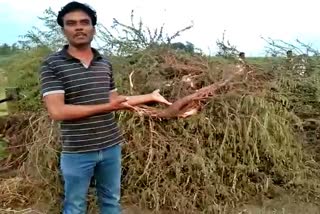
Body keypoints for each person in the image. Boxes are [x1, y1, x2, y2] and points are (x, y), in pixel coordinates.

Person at [39, 1, 171, 214]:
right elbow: (57, 111)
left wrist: (150, 96)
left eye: (85, 22)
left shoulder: (104, 63)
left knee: (111, 202)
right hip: (77, 151)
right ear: (63, 30)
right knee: (75, 205)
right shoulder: (52, 64)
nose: (79, 27)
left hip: (111, 146)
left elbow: (116, 102)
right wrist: (107, 106)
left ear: (93, 28)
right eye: (71, 23)